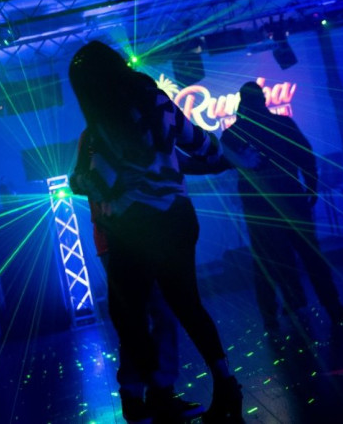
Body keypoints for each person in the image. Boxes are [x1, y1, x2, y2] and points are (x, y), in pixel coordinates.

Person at [68, 41, 244, 424]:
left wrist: (80, 179)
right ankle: (226, 385)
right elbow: (201, 146)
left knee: (128, 313)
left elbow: (91, 183)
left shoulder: (103, 120)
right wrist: (218, 161)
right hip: (179, 217)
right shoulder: (155, 99)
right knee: (187, 306)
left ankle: (151, 397)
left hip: (136, 226)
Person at [219, 81, 343, 333]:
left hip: (258, 208)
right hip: (292, 200)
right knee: (311, 255)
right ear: (264, 100)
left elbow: (225, 164)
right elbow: (306, 155)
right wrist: (311, 186)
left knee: (266, 261)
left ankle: (274, 315)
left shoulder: (231, 134)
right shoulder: (284, 124)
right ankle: (333, 307)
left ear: (241, 102)